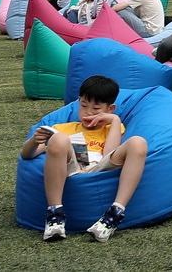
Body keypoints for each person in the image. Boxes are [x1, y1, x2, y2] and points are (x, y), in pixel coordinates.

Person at [22, 75, 148, 243]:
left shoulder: (113, 127)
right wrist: (34, 141)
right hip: (74, 166)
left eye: (96, 109)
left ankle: (116, 212)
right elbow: (27, 155)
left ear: (110, 109)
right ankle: (55, 215)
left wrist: (114, 120)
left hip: (102, 164)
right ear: (77, 103)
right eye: (83, 105)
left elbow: (109, 153)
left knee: (139, 143)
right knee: (59, 139)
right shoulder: (63, 128)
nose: (88, 112)